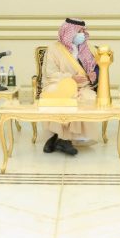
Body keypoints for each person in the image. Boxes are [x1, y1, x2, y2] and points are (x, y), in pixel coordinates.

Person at [41, 18, 99, 155]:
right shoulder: (54, 49)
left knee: (88, 97)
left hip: (83, 86)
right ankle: (62, 139)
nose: (83, 34)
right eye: (79, 31)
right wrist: (70, 78)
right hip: (59, 83)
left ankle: (60, 139)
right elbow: (50, 73)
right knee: (63, 96)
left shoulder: (88, 48)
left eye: (84, 31)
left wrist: (93, 75)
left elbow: (96, 69)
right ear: (69, 32)